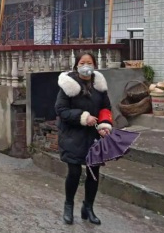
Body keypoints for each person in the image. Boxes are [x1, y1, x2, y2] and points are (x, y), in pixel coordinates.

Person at [55, 52, 113, 225]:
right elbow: (61, 109)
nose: (86, 65)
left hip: (93, 137)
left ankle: (88, 207)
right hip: (73, 136)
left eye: (89, 62)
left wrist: (104, 125)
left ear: (94, 65)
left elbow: (106, 107)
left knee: (94, 173)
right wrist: (83, 117)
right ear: (77, 65)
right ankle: (68, 205)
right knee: (74, 172)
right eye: (83, 62)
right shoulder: (68, 86)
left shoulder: (99, 85)